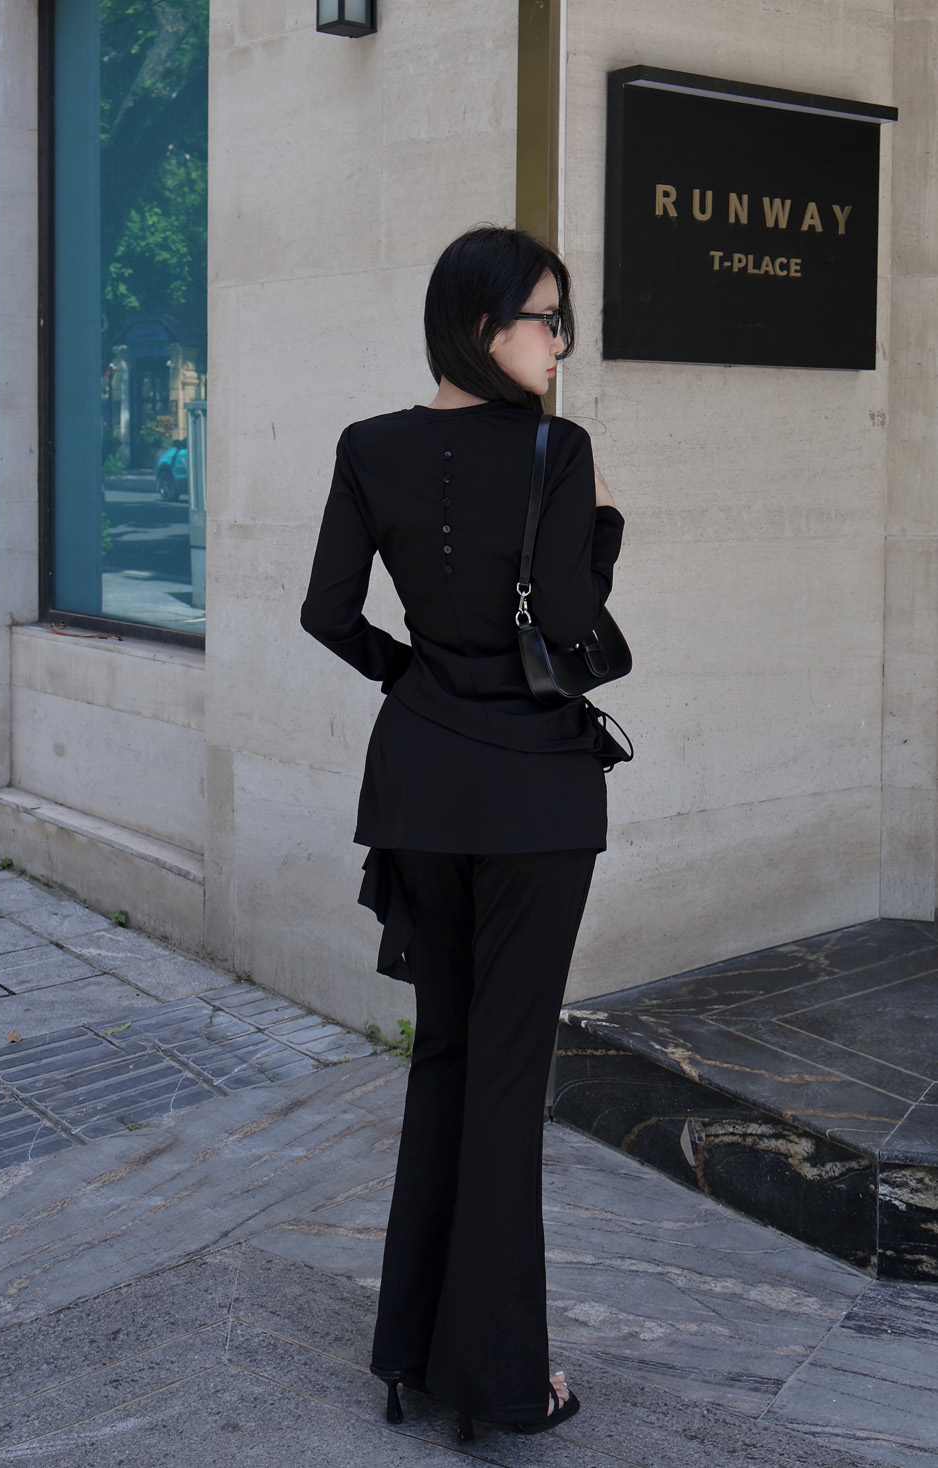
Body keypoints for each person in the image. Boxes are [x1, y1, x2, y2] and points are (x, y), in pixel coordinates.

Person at [301, 225, 625, 1440]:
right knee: (505, 1075)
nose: (561, 343)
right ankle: (497, 1379)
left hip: (420, 786)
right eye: (548, 318)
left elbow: (326, 611)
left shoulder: (367, 446)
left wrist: (414, 677)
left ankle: (409, 1352)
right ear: (482, 325)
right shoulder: (557, 449)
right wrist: (604, 524)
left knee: (444, 1054)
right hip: (535, 797)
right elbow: (574, 620)